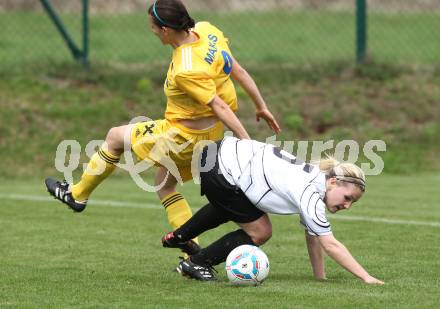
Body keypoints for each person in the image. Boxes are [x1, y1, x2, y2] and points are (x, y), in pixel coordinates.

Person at [45, 0, 280, 257]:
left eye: (153, 28)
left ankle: (78, 195)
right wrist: (261, 106)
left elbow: (219, 107)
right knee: (164, 185)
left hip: (181, 136)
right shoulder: (208, 30)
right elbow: (238, 69)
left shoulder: (185, 68)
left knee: (114, 137)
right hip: (210, 135)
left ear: (166, 30)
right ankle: (192, 252)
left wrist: (246, 144)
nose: (153, 32)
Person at [162, 137, 384, 284]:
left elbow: (313, 235)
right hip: (222, 164)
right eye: (348, 198)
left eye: (352, 203)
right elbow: (330, 243)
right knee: (261, 231)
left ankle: (179, 237)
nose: (347, 205)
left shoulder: (312, 182)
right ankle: (197, 263)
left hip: (217, 153)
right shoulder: (310, 192)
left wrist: (320, 277)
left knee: (235, 205)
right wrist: (366, 278)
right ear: (333, 182)